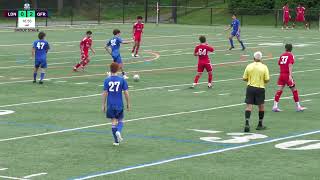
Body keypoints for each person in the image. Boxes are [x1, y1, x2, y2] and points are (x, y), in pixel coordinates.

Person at [102, 62, 130, 146]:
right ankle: (118, 131)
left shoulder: (107, 80)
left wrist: (103, 105)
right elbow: (126, 93)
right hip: (119, 104)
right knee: (120, 120)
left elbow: (104, 93)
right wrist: (128, 103)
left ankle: (116, 141)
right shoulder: (122, 80)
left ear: (110, 70)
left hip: (110, 104)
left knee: (113, 121)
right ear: (118, 69)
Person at [272, 44, 307, 112]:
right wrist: (290, 75)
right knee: (294, 90)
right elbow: (290, 64)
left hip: (281, 74)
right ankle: (298, 106)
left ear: (285, 48)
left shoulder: (282, 55)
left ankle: (275, 106)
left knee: (279, 90)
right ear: (291, 49)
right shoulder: (291, 55)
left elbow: (279, 63)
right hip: (287, 75)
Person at [243, 51, 270, 132]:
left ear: (253, 58)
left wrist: (250, 80)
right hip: (260, 88)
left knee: (249, 106)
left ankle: (247, 123)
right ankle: (260, 124)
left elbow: (244, 78)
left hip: (250, 87)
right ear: (261, 58)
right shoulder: (264, 67)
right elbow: (267, 79)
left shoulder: (249, 66)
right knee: (261, 106)